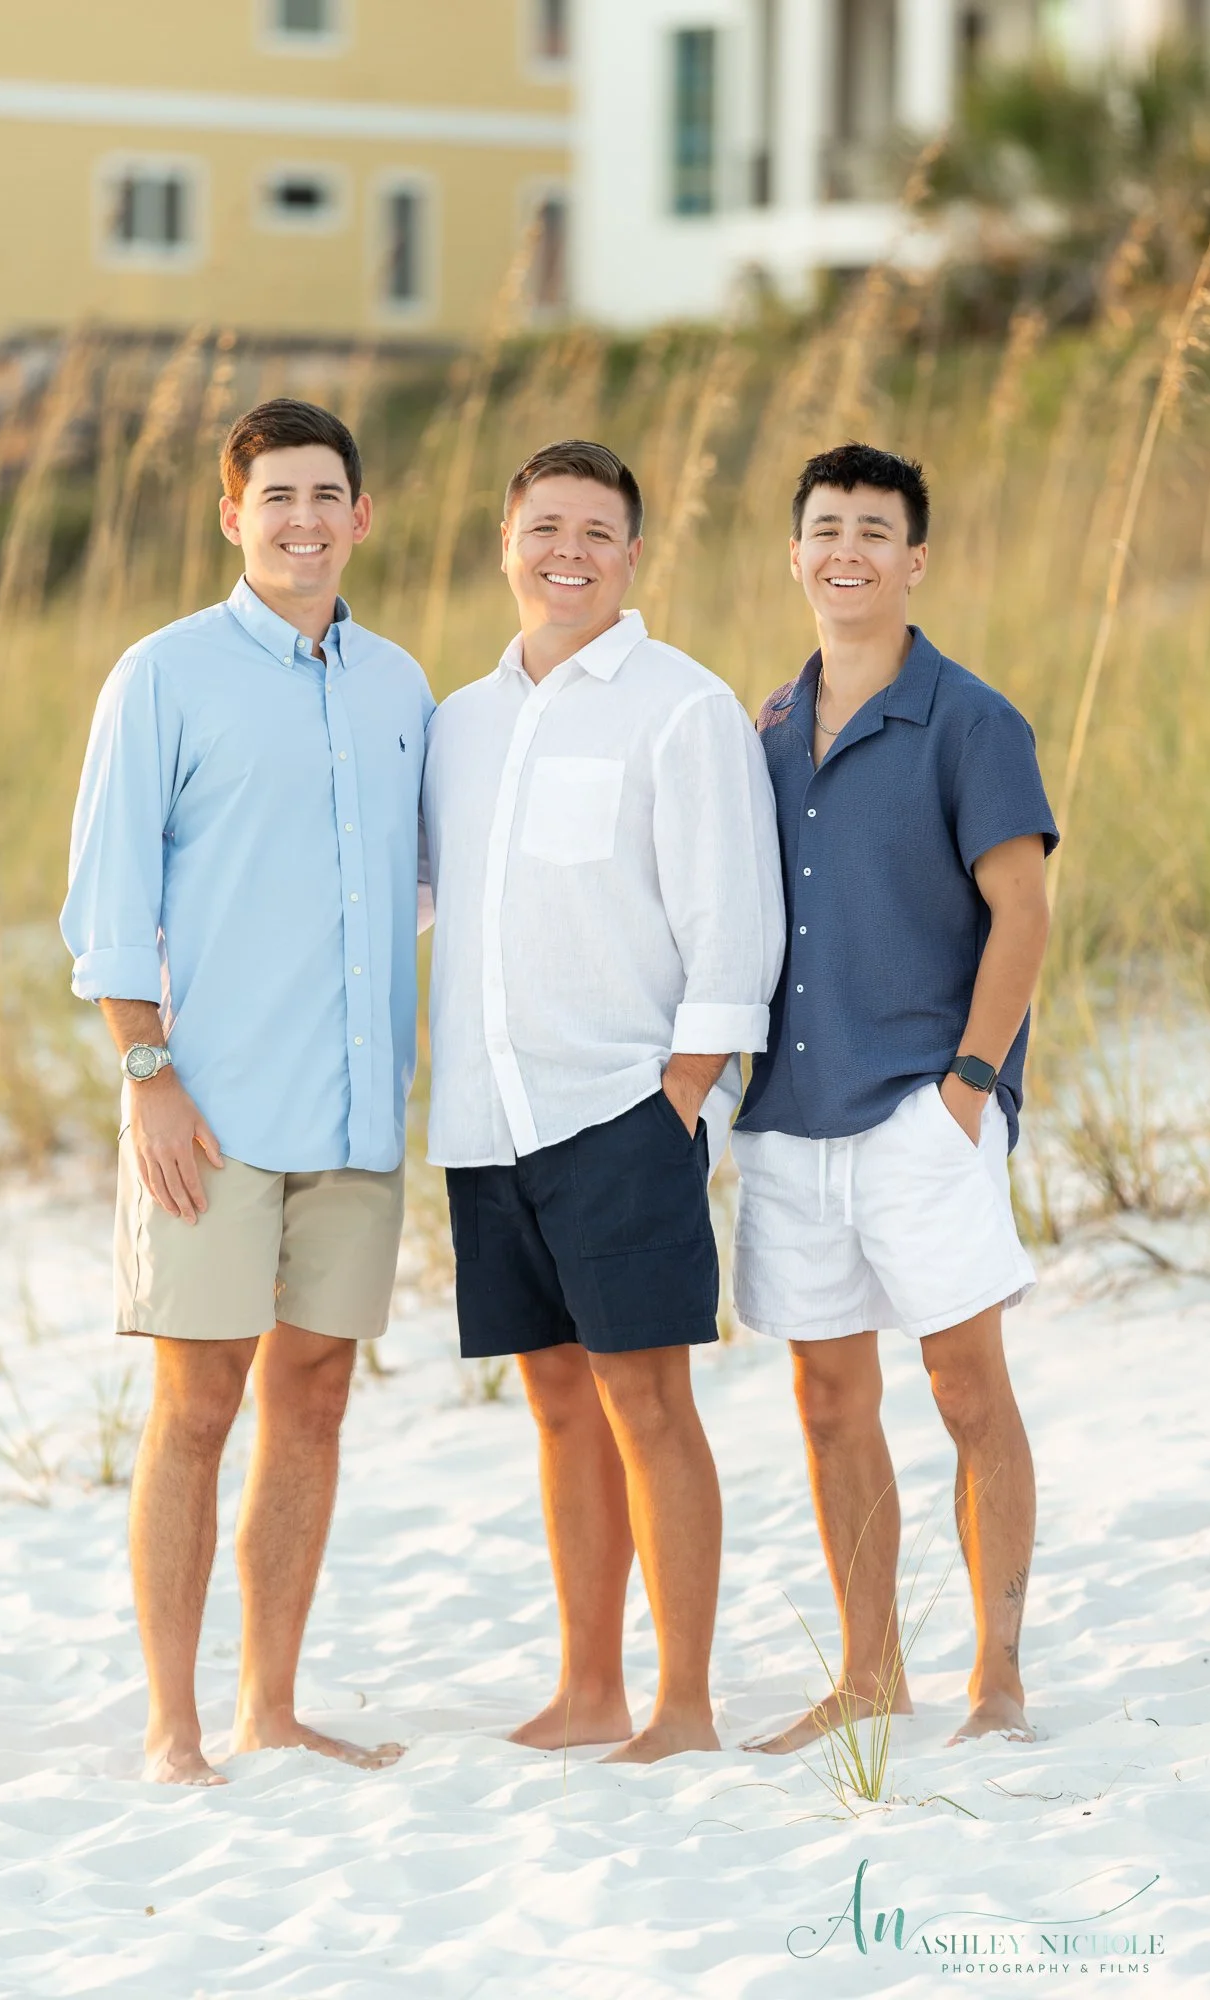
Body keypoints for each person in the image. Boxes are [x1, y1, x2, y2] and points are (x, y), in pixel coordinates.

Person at [61, 399, 432, 1785]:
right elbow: (107, 905)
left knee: (315, 1402)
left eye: (325, 494)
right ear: (232, 516)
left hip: (351, 1119)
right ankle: (174, 1727)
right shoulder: (161, 676)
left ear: (361, 513)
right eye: (275, 496)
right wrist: (147, 1074)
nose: (302, 519)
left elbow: (414, 892)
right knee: (197, 1410)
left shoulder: (400, 686)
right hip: (205, 1117)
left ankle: (271, 1707)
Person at [423, 440, 784, 1764]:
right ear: (504, 541)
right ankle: (587, 1687)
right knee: (558, 1406)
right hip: (486, 1120)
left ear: (633, 558)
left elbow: (730, 919)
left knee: (646, 1402)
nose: (566, 550)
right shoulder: (457, 722)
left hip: (620, 1112)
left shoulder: (679, 708)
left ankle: (680, 1702)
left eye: (596, 531)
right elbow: (415, 898)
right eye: (544, 526)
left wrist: (681, 1093)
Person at [732, 442, 1058, 1752]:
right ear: (794, 551)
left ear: (912, 559)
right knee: (824, 1400)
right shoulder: (762, 732)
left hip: (924, 1106)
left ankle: (996, 1678)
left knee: (964, 1387)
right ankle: (868, 1673)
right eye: (825, 527)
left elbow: (1022, 911)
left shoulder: (971, 721)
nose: (847, 549)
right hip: (789, 1119)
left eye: (874, 530)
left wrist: (969, 1089)